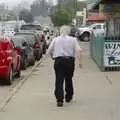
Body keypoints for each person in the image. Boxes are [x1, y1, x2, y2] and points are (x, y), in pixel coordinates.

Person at [47, 25, 82, 107]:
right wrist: (80, 62)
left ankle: (59, 100)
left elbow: (49, 50)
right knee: (69, 78)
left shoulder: (55, 39)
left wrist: (52, 56)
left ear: (60, 31)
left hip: (58, 61)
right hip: (69, 61)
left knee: (59, 80)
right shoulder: (73, 40)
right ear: (68, 32)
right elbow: (79, 50)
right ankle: (68, 97)